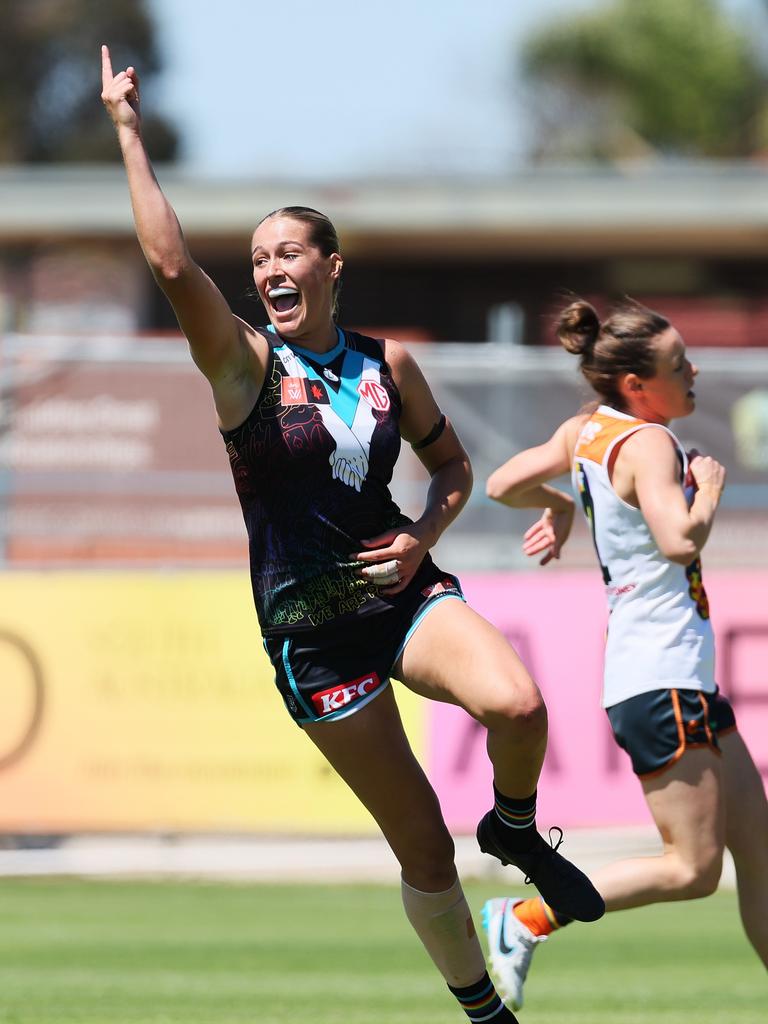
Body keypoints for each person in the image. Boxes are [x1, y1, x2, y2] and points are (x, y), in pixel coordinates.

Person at [100, 46, 603, 1023]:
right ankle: (483, 1008)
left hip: (399, 592)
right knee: (422, 847)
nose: (268, 269)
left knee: (520, 702)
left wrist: (423, 533)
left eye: (287, 252)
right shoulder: (245, 367)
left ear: (331, 265)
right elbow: (168, 263)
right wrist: (128, 126)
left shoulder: (388, 366)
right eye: (256, 260)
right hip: (313, 631)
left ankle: (514, 827)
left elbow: (453, 468)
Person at [482, 297, 768, 1010]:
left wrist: (558, 506)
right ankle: (525, 917)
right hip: (663, 676)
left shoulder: (586, 431)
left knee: (759, 851)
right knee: (692, 870)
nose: (693, 370)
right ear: (638, 385)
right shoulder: (649, 443)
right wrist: (708, 492)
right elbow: (679, 540)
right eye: (678, 365)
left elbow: (502, 484)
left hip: (667, 677)